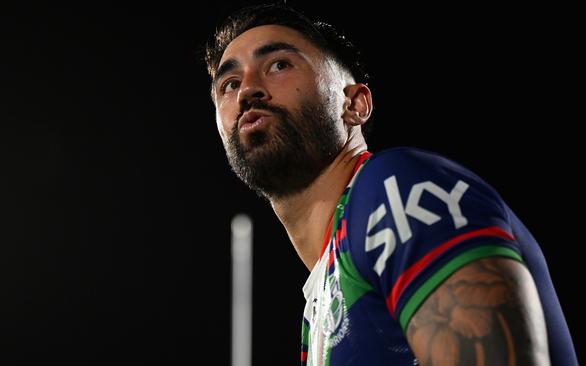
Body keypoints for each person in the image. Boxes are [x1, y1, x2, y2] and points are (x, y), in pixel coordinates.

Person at [204, 3, 577, 365]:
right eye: (229, 84)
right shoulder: (318, 305)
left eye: (278, 65)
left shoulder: (395, 189)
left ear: (355, 104)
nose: (246, 91)